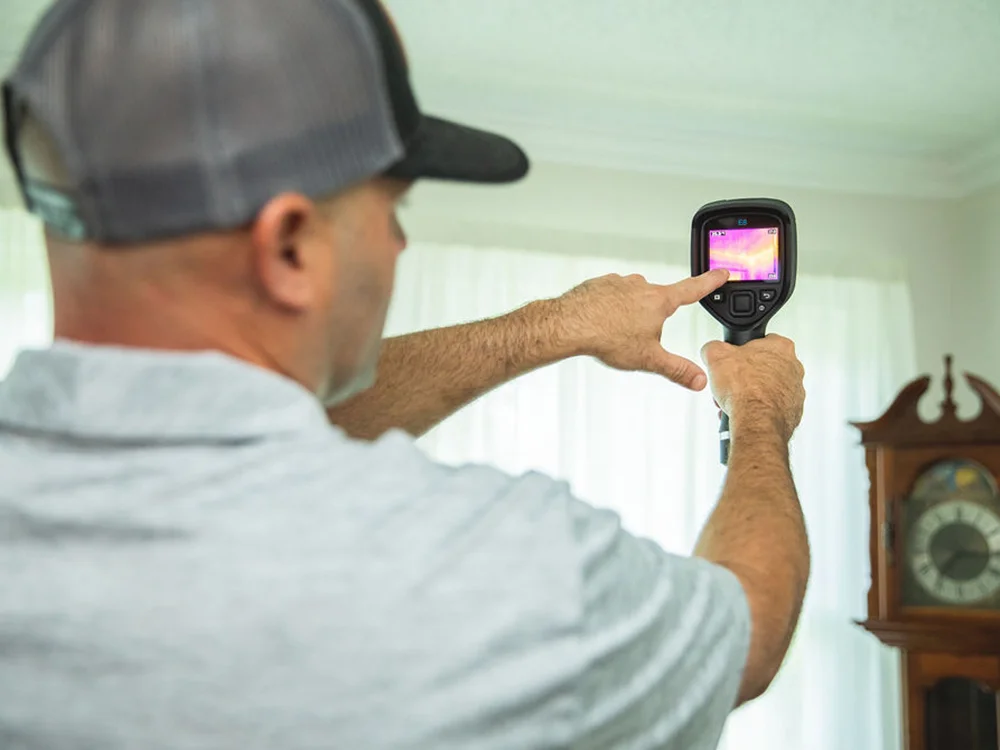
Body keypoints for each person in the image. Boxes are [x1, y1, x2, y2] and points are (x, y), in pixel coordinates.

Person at [0, 1, 808, 748]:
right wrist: (760, 412)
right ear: (288, 247)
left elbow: (265, 428)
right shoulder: (498, 571)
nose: (398, 246)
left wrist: (553, 326)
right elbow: (748, 631)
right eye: (394, 209)